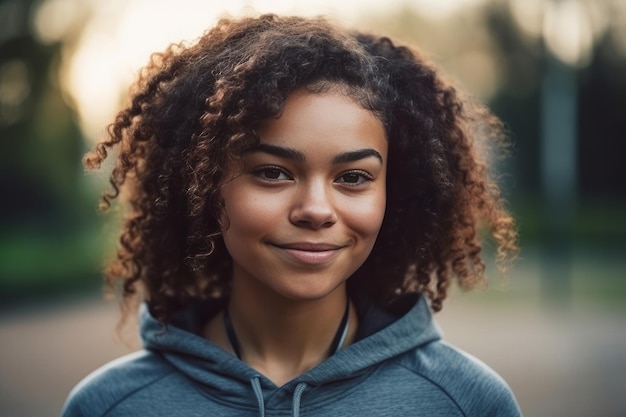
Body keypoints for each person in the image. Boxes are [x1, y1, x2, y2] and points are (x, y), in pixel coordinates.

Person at [61, 14, 521, 417]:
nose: (316, 210)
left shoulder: (466, 403)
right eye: (273, 172)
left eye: (355, 177)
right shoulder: (109, 406)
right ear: (200, 187)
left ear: (393, 194)